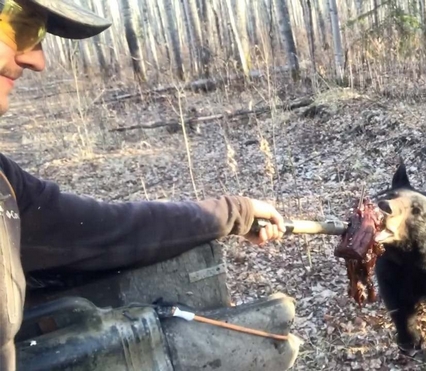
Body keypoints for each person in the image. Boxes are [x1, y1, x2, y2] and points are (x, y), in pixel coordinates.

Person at [0, 1, 287, 370]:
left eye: (37, 34)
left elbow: (106, 229)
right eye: (20, 26)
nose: (36, 61)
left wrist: (235, 212)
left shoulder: (6, 184)